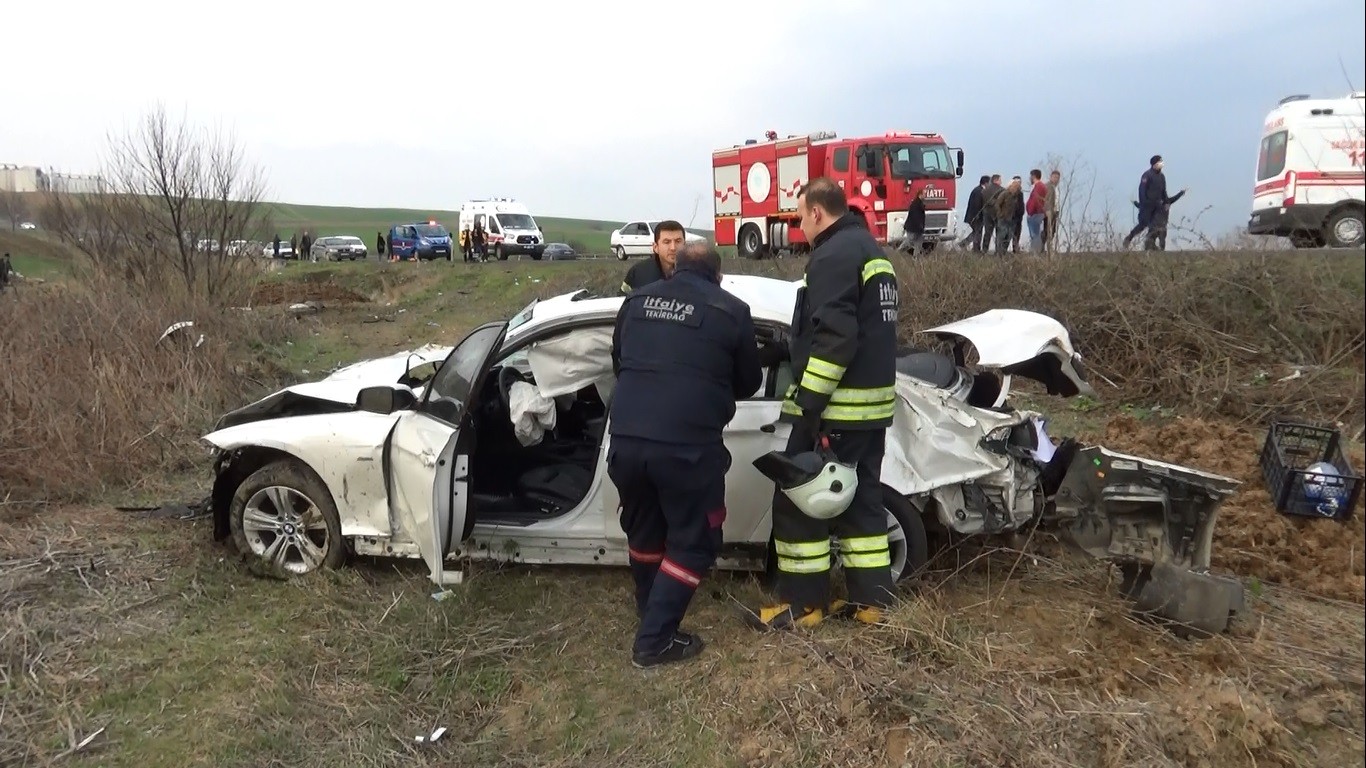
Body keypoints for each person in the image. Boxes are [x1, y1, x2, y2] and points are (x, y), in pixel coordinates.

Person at [747, 176, 900, 631]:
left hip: (836, 410)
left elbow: (837, 338)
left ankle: (803, 605)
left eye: (799, 216)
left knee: (799, 501)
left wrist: (810, 404)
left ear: (816, 212)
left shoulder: (831, 257)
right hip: (871, 411)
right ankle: (873, 602)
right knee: (862, 503)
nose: (800, 226)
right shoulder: (875, 255)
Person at [607, 241, 765, 668]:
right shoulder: (731, 310)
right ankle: (654, 642)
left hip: (625, 441)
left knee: (644, 532)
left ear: (674, 268)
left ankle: (650, 611)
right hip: (686, 448)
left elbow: (620, 361)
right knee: (694, 542)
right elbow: (749, 383)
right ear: (718, 276)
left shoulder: (636, 301)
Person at [620, 219, 686, 294]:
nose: (673, 248)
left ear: (685, 245)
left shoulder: (697, 274)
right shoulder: (638, 273)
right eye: (667, 242)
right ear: (655, 247)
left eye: (678, 241)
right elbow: (621, 299)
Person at [990, 177, 1023, 255]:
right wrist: (1000, 214)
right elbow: (997, 204)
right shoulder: (1004, 194)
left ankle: (1003, 251)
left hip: (1012, 219)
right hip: (1003, 218)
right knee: (1001, 236)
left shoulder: (1017, 196)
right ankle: (999, 252)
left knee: (1009, 236)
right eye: (1016, 188)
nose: (1017, 190)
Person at [958, 175, 990, 251]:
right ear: (986, 183)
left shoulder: (978, 190)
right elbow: (976, 205)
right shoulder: (979, 191)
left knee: (976, 232)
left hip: (974, 216)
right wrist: (977, 216)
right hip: (976, 217)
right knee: (977, 232)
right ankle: (974, 248)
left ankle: (966, 245)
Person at [897, 188, 927, 255]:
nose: (925, 196)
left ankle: (916, 259)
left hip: (918, 228)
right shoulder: (916, 204)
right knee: (909, 241)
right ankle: (898, 252)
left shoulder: (920, 203)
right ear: (920, 194)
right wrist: (920, 225)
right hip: (913, 227)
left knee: (918, 244)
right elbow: (915, 216)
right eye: (924, 194)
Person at [1025, 169, 1048, 252]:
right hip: (1036, 213)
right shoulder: (1039, 186)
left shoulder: (1039, 186)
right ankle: (1036, 252)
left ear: (1033, 176)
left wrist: (1030, 212)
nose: (1029, 178)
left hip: (1035, 214)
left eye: (1030, 176)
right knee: (1035, 234)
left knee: (1035, 235)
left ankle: (1035, 253)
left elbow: (1036, 201)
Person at [980, 174, 1003, 252]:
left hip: (987, 213)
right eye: (1000, 180)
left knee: (987, 233)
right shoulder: (1002, 190)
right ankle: (998, 251)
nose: (1001, 182)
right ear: (996, 180)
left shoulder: (985, 190)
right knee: (999, 233)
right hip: (997, 214)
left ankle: (984, 250)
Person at [1043, 170, 1062, 253]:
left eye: (1057, 178)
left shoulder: (1056, 188)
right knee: (1047, 230)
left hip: (1055, 211)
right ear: (1051, 177)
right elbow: (1046, 200)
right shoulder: (1048, 186)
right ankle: (1042, 248)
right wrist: (1047, 210)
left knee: (1052, 231)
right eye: (1054, 177)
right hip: (1049, 212)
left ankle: (1048, 248)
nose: (1056, 179)